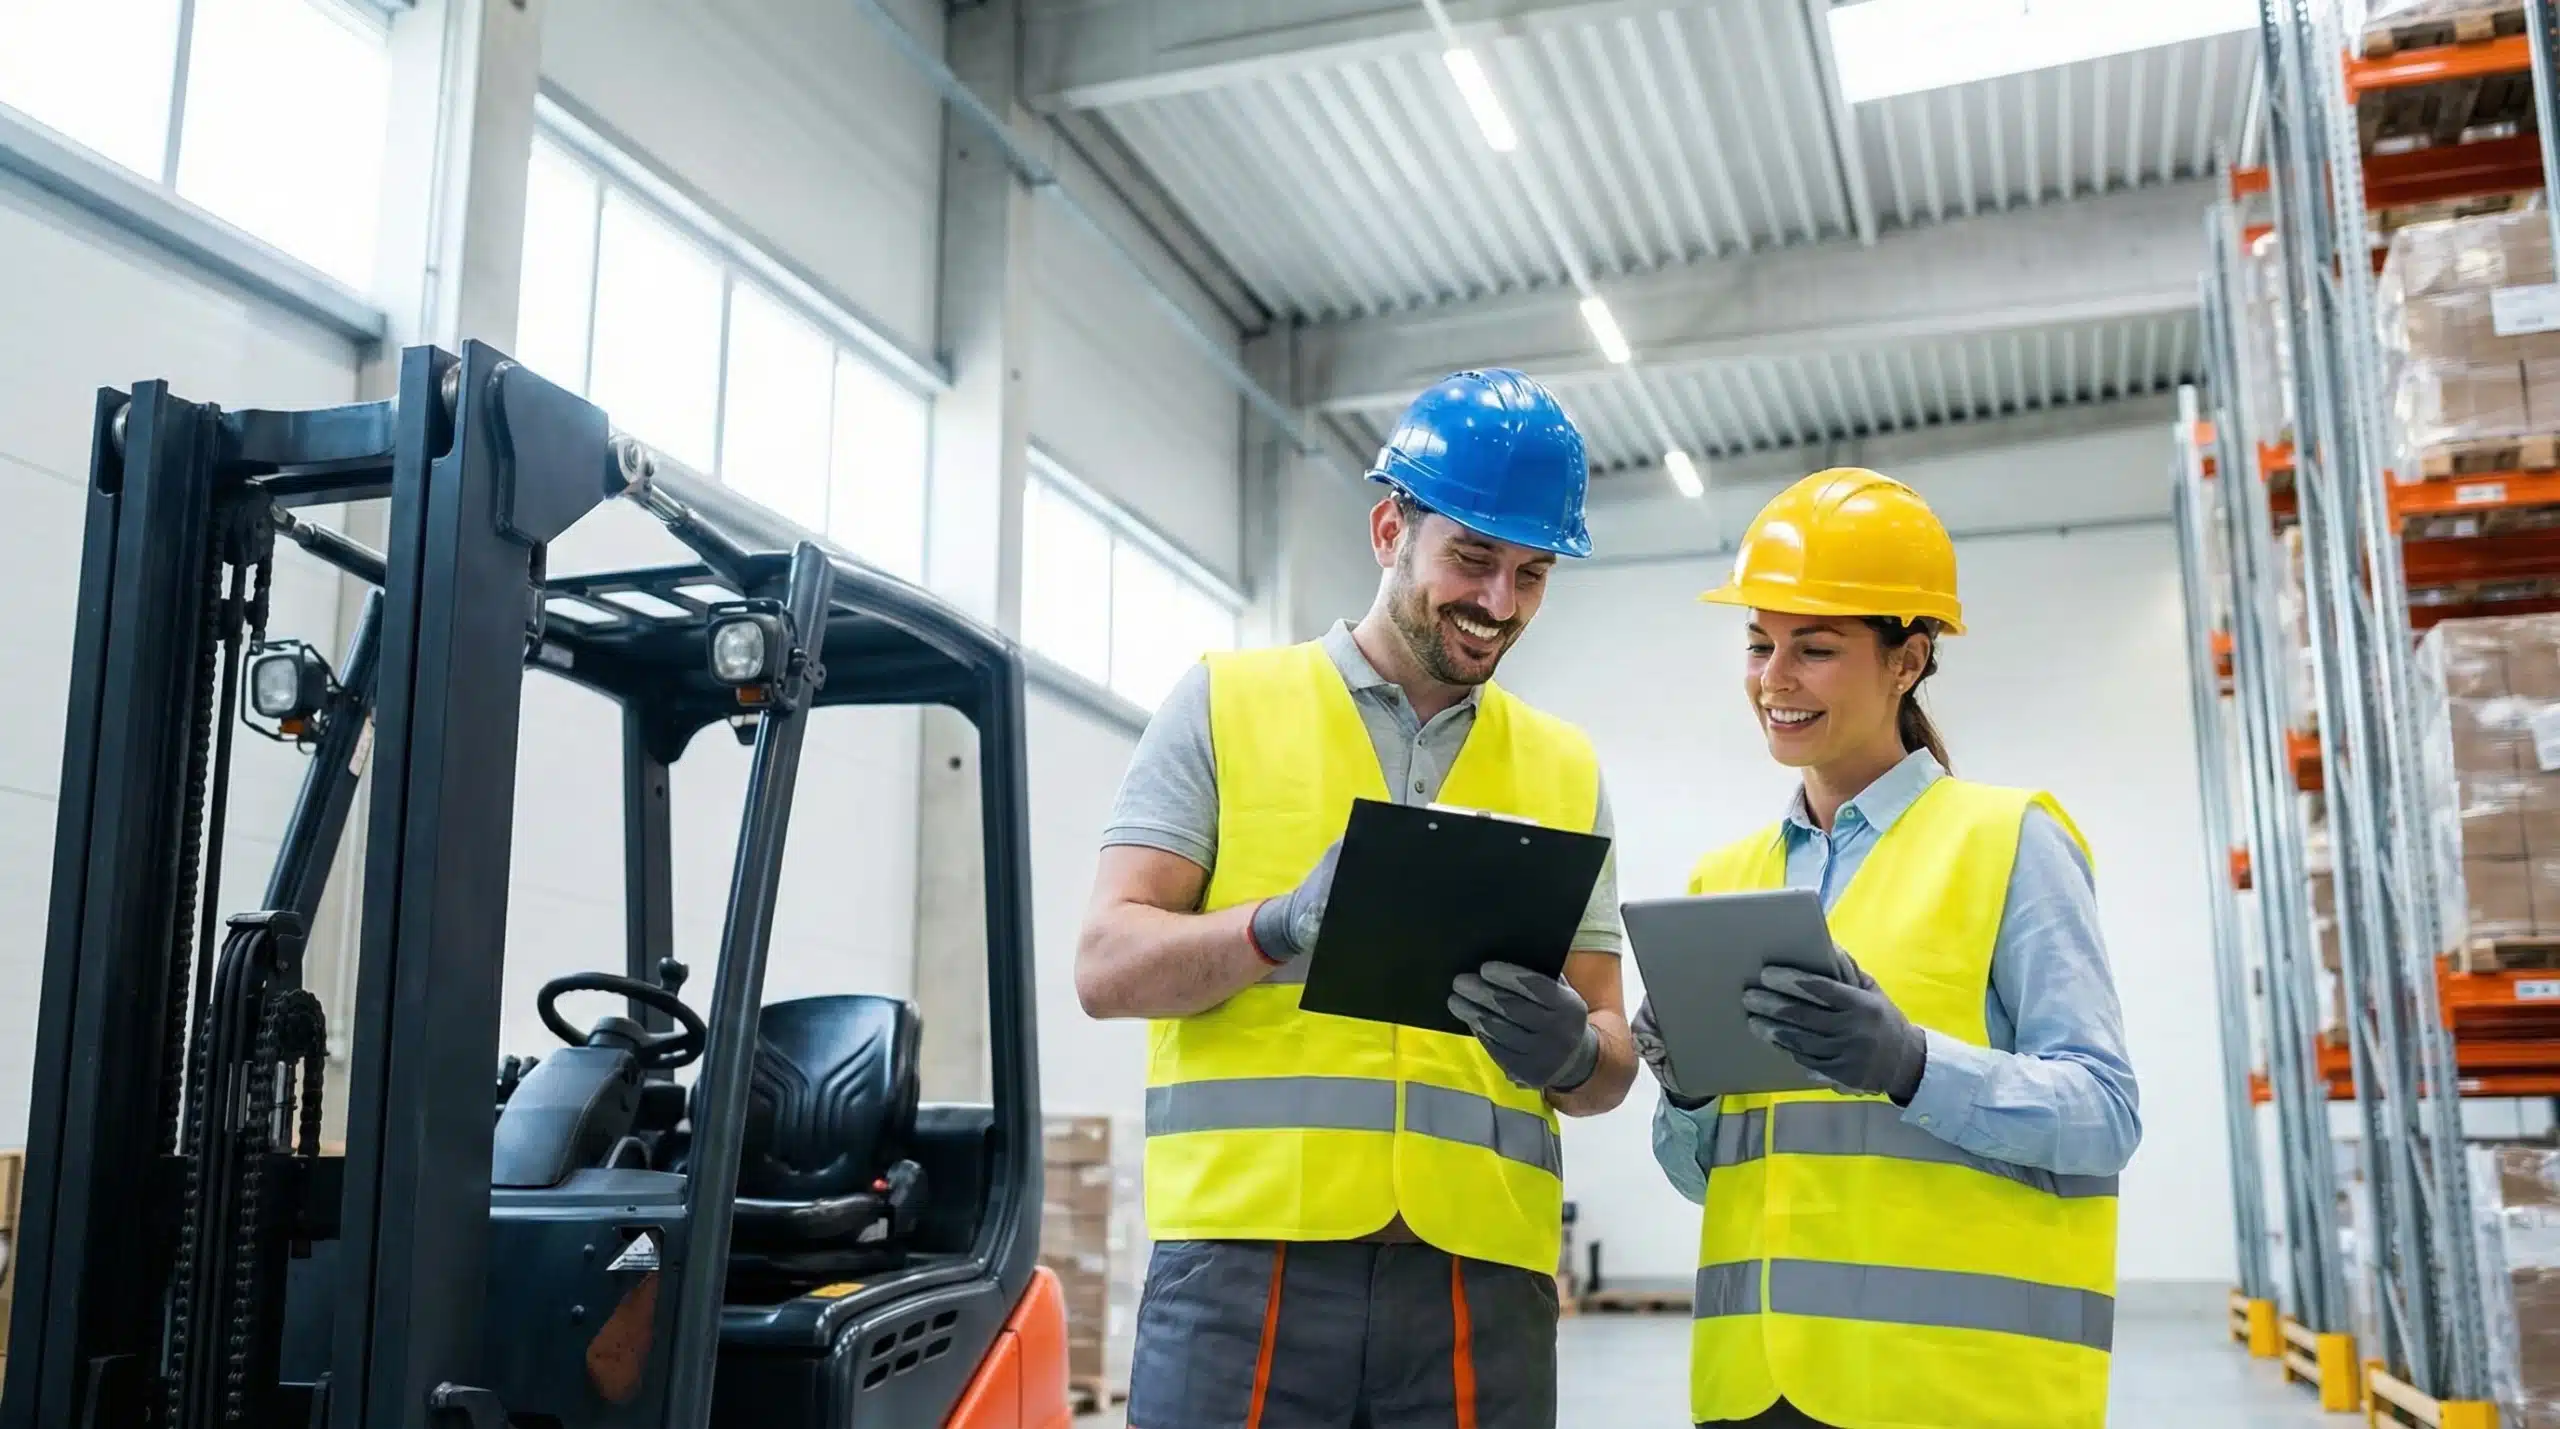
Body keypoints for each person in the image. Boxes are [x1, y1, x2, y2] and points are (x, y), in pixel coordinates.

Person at [1076, 368, 1636, 1429]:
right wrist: (1273, 926)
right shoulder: (1223, 705)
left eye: (1532, 572)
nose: (1498, 605)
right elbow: (1104, 966)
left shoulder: (1565, 771)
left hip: (1482, 1286)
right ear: (1390, 528)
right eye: (1471, 558)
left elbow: (1608, 1059)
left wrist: (1572, 1051)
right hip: (1244, 1272)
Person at [1635, 468, 2140, 1429]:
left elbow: (2104, 1113)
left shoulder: (2010, 841)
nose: (1773, 680)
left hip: (1947, 1392)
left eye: (1814, 649)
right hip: (1756, 1386)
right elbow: (1709, 1176)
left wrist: (1911, 1064)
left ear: (1907, 659)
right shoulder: (1722, 882)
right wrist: (1687, 1093)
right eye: (1759, 644)